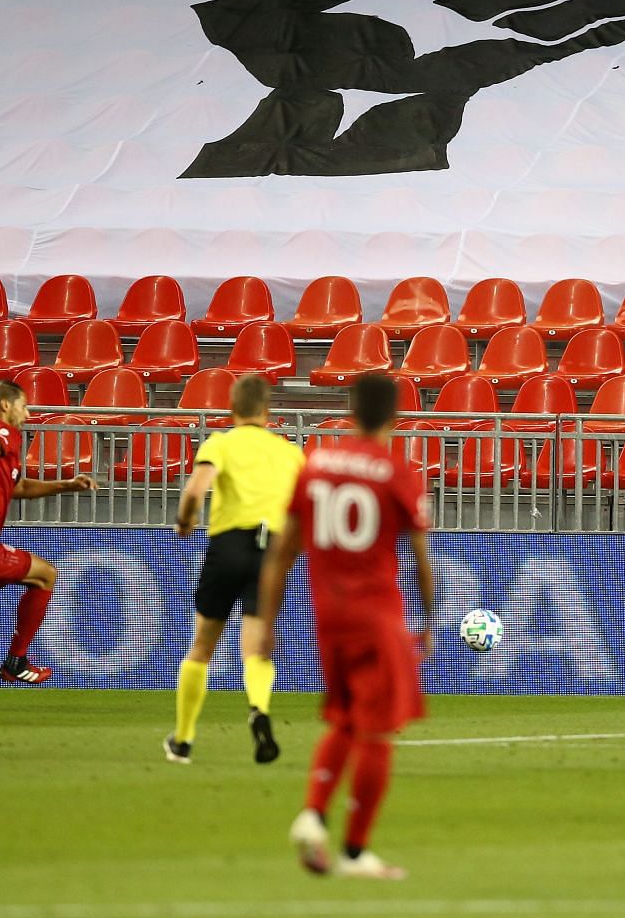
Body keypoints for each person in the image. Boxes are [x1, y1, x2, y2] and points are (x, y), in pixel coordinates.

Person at [264, 373, 434, 882]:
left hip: (329, 616)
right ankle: (357, 852)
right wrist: (427, 620)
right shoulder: (396, 471)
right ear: (396, 416)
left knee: (345, 719)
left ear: (352, 410)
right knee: (379, 731)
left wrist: (266, 621)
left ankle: (313, 815)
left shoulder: (316, 464)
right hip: (377, 615)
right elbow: (420, 557)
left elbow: (283, 549)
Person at [164, 373, 304, 765]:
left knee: (203, 645)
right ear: (268, 412)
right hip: (271, 548)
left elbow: (195, 489)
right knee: (256, 645)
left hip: (228, 544)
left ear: (232, 410)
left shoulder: (220, 443)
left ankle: (184, 739)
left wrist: (185, 521)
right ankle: (258, 708)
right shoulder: (289, 452)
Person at [0, 379, 99, 683]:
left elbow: (19, 486)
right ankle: (16, 659)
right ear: (6, 406)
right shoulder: (2, 434)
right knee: (46, 575)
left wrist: (66, 485)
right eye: (24, 406)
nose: (27, 414)